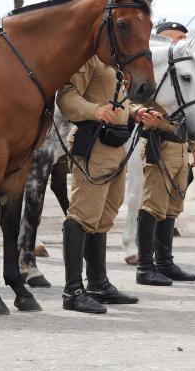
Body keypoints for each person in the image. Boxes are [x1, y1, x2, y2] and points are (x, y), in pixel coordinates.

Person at [57, 57, 140, 314]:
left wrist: (136, 112)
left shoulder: (115, 63)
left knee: (104, 217)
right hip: (93, 143)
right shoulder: (89, 59)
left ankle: (99, 284)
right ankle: (73, 290)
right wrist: (95, 111)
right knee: (82, 215)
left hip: (115, 145)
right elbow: (66, 96)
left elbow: (118, 101)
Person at [133, 21, 195, 287]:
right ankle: (145, 266)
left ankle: (165, 262)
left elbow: (189, 108)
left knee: (172, 206)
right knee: (153, 204)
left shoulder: (180, 67)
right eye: (176, 38)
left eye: (183, 38)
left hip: (180, 145)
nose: (181, 42)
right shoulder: (149, 70)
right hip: (158, 142)